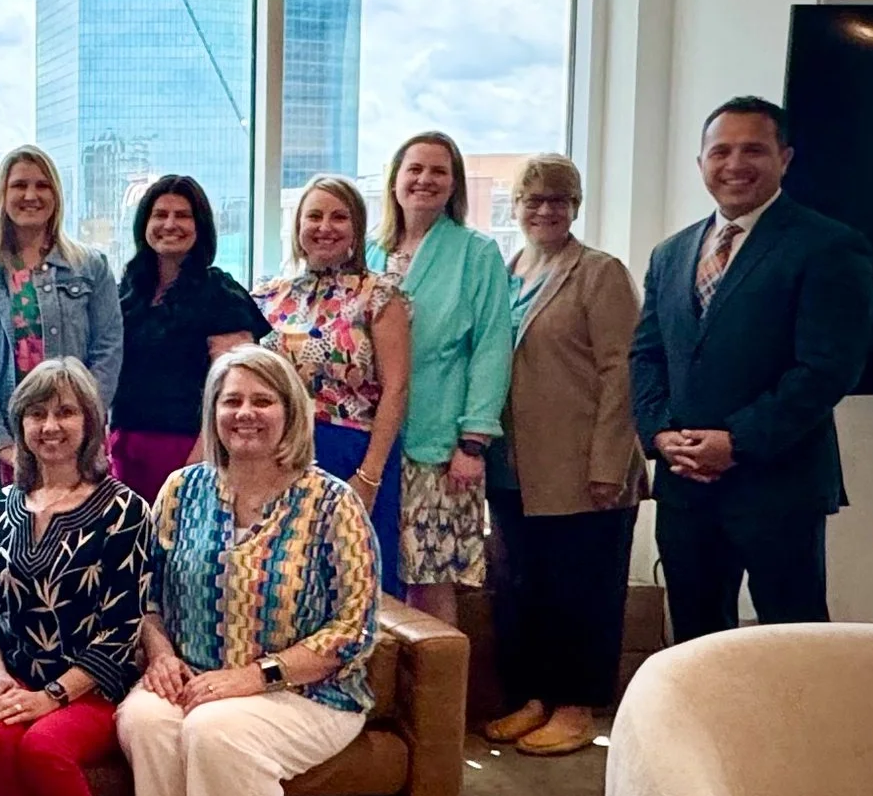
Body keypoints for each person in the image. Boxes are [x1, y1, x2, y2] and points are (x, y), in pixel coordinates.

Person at [630, 96, 873, 640]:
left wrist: (736, 442)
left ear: (784, 158)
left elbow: (827, 369)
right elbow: (646, 355)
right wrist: (661, 434)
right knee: (695, 642)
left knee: (793, 641)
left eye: (753, 150)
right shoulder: (671, 254)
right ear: (701, 163)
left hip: (778, 485)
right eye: (721, 151)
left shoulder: (829, 246)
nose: (735, 164)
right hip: (685, 487)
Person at [116, 347, 380, 796]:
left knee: (216, 730)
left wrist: (254, 677)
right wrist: (160, 655)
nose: (245, 413)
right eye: (231, 401)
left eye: (262, 401)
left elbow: (352, 629)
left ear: (290, 412)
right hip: (194, 676)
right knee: (145, 720)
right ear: (213, 412)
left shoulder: (333, 503)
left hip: (308, 693)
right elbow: (145, 594)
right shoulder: (181, 490)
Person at [481, 155, 646, 757]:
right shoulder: (507, 271)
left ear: (576, 206)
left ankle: (576, 707)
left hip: (583, 467)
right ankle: (534, 698)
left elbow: (622, 372)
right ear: (516, 207)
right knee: (524, 588)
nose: (546, 210)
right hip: (515, 468)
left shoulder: (600, 273)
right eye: (534, 200)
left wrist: (608, 465)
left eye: (559, 200)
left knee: (582, 591)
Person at [0, 359, 152, 796]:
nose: (50, 426)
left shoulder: (124, 510)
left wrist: (51, 697)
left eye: (65, 412)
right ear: (20, 425)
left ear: (90, 422)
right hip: (17, 678)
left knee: (43, 747)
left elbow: (123, 629)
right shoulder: (0, 508)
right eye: (37, 414)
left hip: (94, 687)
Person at [0, 145, 124, 532]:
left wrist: (79, 431)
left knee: (76, 553)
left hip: (71, 449)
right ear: (2, 194)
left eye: (42, 185)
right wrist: (3, 445)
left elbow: (108, 352)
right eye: (19, 185)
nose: (31, 195)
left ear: (56, 195)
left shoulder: (90, 267)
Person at [370, 133, 513, 625]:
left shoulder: (476, 253)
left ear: (454, 185)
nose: (424, 180)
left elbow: (492, 348)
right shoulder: (368, 252)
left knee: (429, 578)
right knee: (367, 571)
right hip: (371, 441)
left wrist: (473, 441)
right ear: (395, 179)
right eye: (414, 169)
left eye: (438, 171)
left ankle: (436, 678)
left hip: (440, 446)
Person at [256, 176, 412, 594]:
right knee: (285, 582)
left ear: (356, 228)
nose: (325, 227)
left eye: (338, 217)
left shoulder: (380, 294)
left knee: (354, 580)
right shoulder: (269, 296)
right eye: (314, 216)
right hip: (282, 455)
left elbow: (396, 389)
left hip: (352, 452)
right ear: (298, 227)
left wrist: (369, 476)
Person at [109, 173, 262, 503]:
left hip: (188, 449)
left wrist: (200, 461)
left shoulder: (221, 294)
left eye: (182, 215)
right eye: (160, 215)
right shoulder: (127, 294)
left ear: (200, 226)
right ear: (144, 224)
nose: (170, 224)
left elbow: (234, 387)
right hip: (124, 450)